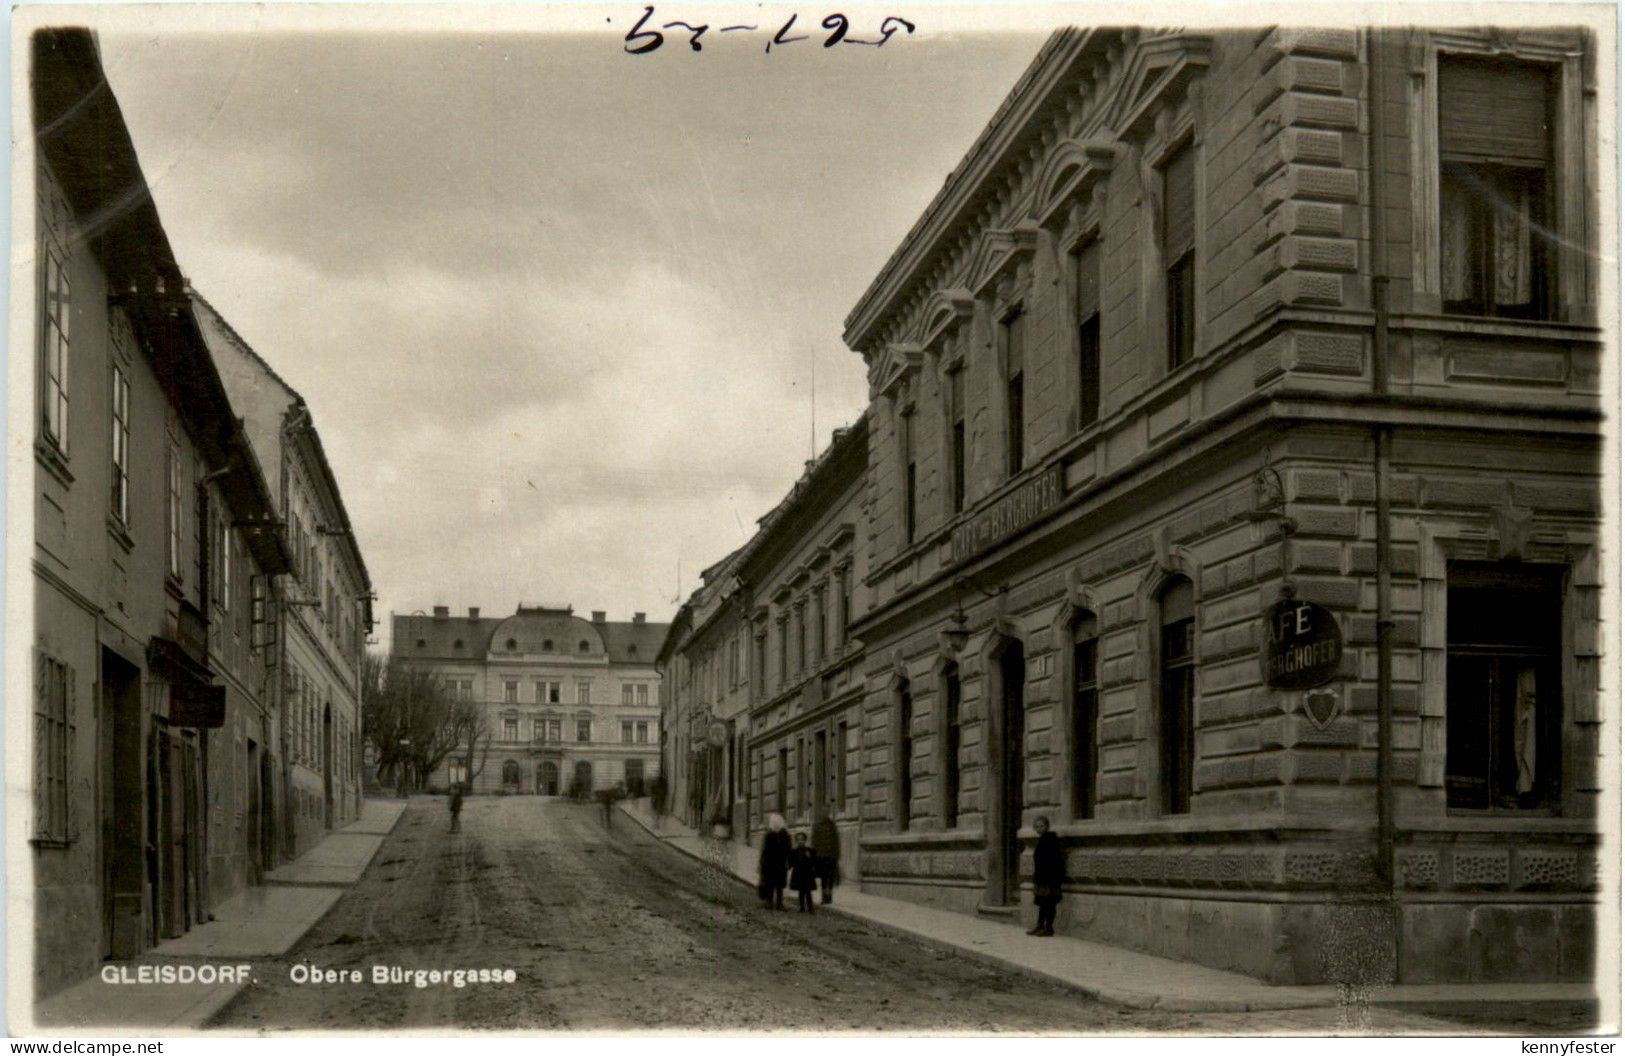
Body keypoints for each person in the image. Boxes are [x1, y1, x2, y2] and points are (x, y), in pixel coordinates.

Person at [1027, 815, 1063, 937]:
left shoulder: (1051, 840)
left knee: (1049, 903)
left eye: (1041, 826)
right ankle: (1040, 925)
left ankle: (1049, 928)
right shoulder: (1042, 840)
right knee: (1042, 903)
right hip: (1041, 878)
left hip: (1049, 878)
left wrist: (1053, 878)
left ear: (1047, 826)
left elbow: (1056, 860)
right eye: (1037, 826)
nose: (1039, 828)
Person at [758, 813, 791, 910]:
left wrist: (762, 862)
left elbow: (765, 850)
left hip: (773, 863)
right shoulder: (782, 834)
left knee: (774, 884)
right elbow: (788, 849)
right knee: (775, 884)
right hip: (776, 863)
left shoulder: (773, 834)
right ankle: (776, 903)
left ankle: (773, 903)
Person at [811, 813, 841, 904]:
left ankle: (829, 895)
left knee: (831, 876)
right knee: (824, 877)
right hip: (821, 856)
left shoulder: (832, 826)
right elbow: (814, 842)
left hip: (831, 855)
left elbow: (836, 841)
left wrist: (837, 855)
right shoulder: (817, 826)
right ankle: (824, 896)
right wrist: (815, 855)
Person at [788, 832, 820, 913]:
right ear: (796, 841)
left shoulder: (810, 850)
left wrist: (809, 857)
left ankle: (810, 908)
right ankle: (802, 907)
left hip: (807, 874)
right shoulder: (794, 851)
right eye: (798, 840)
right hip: (798, 874)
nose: (800, 841)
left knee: (808, 891)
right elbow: (791, 863)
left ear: (805, 840)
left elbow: (815, 862)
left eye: (802, 839)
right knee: (801, 891)